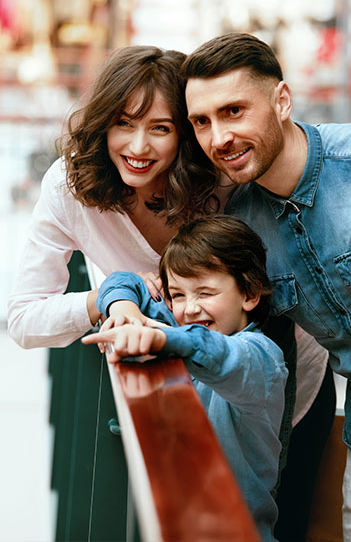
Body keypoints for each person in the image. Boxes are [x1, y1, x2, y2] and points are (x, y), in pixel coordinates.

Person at [181, 32, 351, 542]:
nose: (218, 138)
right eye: (201, 122)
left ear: (282, 100)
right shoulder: (244, 223)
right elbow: (202, 301)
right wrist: (125, 297)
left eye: (234, 111)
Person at [83, 214, 288, 542]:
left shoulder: (261, 358)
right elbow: (123, 280)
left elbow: (217, 353)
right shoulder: (179, 326)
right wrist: (125, 312)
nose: (189, 309)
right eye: (177, 295)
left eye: (205, 292)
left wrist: (162, 339)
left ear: (249, 293)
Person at [7, 45, 220, 349]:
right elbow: (23, 320)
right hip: (159, 371)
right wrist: (108, 294)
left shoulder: (217, 179)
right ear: (103, 122)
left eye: (160, 128)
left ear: (183, 134)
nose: (138, 146)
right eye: (124, 123)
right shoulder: (68, 184)